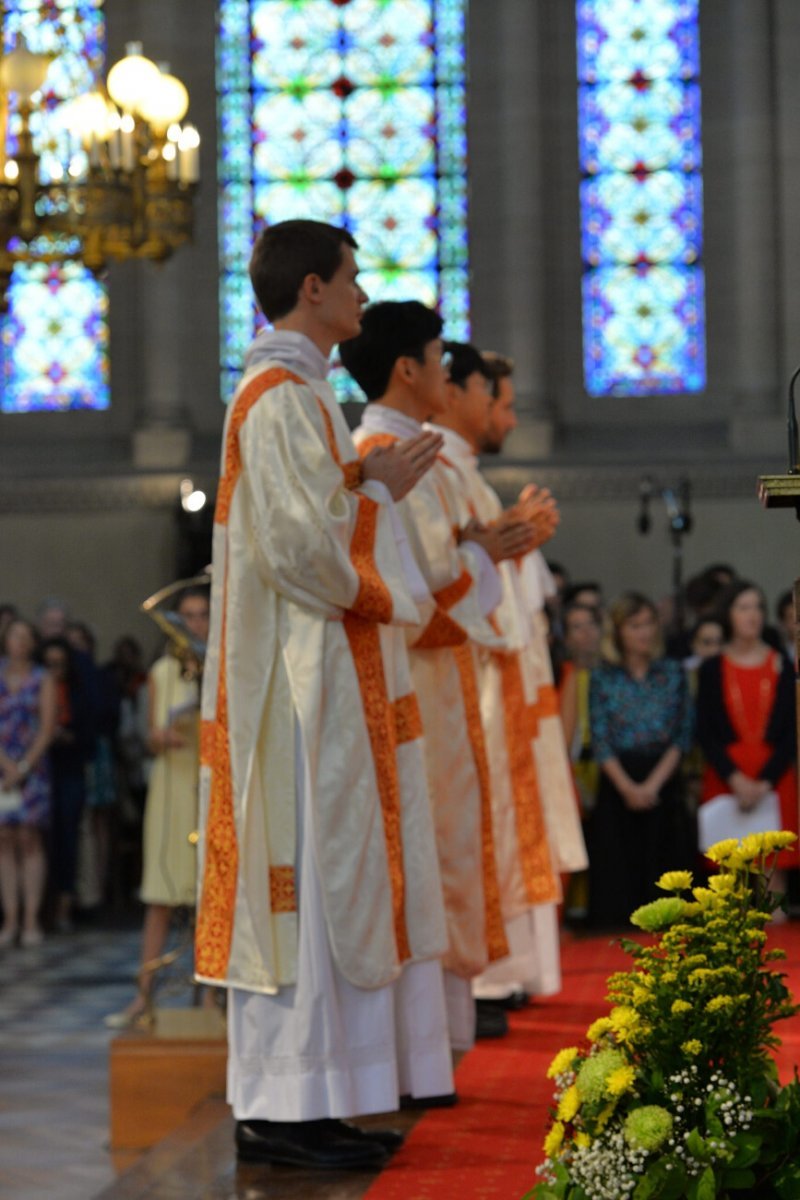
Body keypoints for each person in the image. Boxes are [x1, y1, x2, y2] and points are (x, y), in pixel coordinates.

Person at [194, 220, 453, 1171]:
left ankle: (322, 1097)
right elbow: (304, 549)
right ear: (312, 289)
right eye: (351, 278)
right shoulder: (276, 397)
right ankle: (280, 1109)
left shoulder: (299, 394)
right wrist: (373, 492)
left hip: (321, 672)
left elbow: (307, 516)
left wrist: (361, 476)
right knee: (296, 891)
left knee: (326, 891)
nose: (359, 293)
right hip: (294, 690)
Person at [343, 305, 542, 1051]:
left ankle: (437, 1044)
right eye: (436, 356)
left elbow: (440, 569)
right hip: (414, 688)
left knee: (445, 853)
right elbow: (417, 594)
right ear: (408, 370)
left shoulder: (415, 452)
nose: (448, 374)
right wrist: (486, 553)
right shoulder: (384, 453)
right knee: (424, 860)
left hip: (439, 685)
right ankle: (419, 1049)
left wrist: (487, 548)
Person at [426, 339, 566, 1021]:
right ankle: (484, 976)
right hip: (466, 679)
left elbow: (497, 587)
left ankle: (502, 971)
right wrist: (501, 540)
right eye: (495, 398)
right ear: (451, 391)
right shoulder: (434, 469)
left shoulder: (466, 476)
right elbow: (436, 579)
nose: (504, 416)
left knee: (508, 825)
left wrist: (512, 540)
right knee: (485, 825)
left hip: (495, 676)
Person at [105, 588, 211, 1028]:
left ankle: (209, 1000)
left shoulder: (221, 666)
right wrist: (162, 735)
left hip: (208, 783)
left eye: (202, 614)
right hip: (172, 784)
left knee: (209, 898)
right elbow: (148, 735)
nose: (193, 622)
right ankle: (143, 996)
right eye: (185, 615)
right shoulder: (162, 671)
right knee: (161, 895)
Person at [587, 592, 694, 930]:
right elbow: (600, 738)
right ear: (618, 632)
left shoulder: (673, 672)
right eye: (635, 625)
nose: (644, 632)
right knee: (618, 879)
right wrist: (628, 788)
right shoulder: (603, 677)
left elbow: (682, 734)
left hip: (662, 778)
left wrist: (651, 786)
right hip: (619, 779)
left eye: (649, 623)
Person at [696, 581, 798, 892]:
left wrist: (765, 781)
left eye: (757, 607)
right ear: (728, 615)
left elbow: (792, 729)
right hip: (728, 776)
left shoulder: (782, 662)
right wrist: (736, 779)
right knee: (731, 881)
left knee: (772, 876)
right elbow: (705, 730)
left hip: (774, 775)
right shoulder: (713, 667)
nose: (752, 615)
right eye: (743, 607)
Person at [0, 619, 56, 947]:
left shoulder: (41, 678)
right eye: (14, 636)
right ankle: (10, 917)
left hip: (32, 767)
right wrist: (6, 765)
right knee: (4, 840)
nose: (19, 642)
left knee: (30, 838)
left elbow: (47, 728)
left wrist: (22, 766)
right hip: (3, 765)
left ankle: (32, 917)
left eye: (25, 636)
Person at [41, 635, 96, 932]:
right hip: (40, 771)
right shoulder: (35, 688)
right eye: (48, 664)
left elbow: (89, 733)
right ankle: (39, 907)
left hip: (70, 770)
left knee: (67, 837)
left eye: (59, 665)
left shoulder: (77, 692)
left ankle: (64, 903)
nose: (54, 670)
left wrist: (65, 737)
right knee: (37, 841)